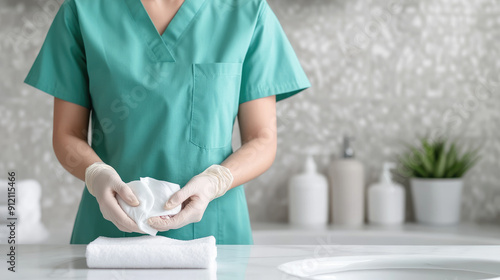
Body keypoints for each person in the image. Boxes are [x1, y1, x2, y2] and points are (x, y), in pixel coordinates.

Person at [24, 0, 310, 245]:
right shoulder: (84, 10)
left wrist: (215, 182)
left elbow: (262, 139)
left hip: (214, 237)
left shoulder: (246, 11)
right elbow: (67, 134)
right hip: (110, 234)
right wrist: (96, 175)